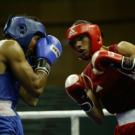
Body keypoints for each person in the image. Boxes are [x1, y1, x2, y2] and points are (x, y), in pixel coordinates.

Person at [65, 20, 135, 135]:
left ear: (94, 35)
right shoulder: (86, 78)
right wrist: (83, 101)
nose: (77, 45)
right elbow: (99, 118)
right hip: (123, 128)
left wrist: (121, 63)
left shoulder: (121, 49)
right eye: (73, 43)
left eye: (81, 38)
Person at [0, 15, 62, 135]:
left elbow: (31, 99)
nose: (38, 46)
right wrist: (45, 61)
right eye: (37, 39)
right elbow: (36, 87)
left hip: (9, 117)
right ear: (22, 31)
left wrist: (35, 64)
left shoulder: (13, 60)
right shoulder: (10, 46)